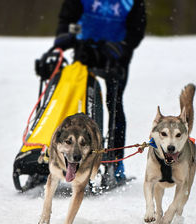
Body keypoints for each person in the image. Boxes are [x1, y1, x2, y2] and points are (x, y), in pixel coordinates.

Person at [52, 0, 146, 180]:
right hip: (85, 48)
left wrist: (123, 47)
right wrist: (64, 35)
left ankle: (116, 163)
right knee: (73, 97)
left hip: (116, 54)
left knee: (115, 103)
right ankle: (62, 152)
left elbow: (136, 30)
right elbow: (68, 17)